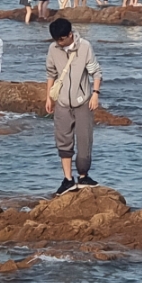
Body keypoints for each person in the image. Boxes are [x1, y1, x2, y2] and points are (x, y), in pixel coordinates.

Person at [45, 19, 102, 196]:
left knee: (84, 141)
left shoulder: (84, 47)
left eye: (61, 39)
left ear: (70, 35)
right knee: (63, 140)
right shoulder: (53, 49)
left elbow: (96, 72)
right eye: (55, 40)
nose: (58, 43)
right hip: (62, 102)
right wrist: (48, 97)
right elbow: (51, 74)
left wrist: (95, 93)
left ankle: (83, 176)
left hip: (83, 101)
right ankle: (68, 179)